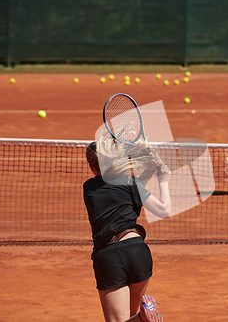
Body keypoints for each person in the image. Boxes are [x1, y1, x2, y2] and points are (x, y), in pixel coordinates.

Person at [83, 134, 171, 322]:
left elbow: (122, 194)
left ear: (92, 167)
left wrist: (146, 168)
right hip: (139, 253)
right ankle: (142, 317)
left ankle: (142, 319)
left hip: (110, 257)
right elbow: (164, 210)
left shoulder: (89, 188)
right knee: (129, 318)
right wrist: (162, 179)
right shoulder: (132, 182)